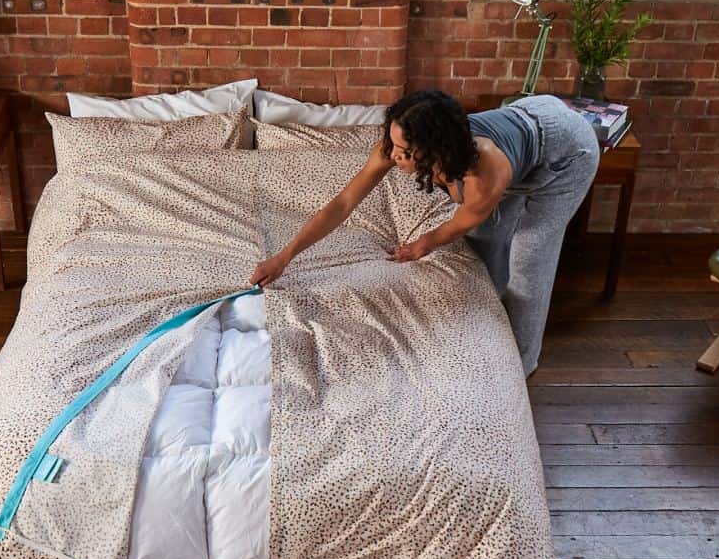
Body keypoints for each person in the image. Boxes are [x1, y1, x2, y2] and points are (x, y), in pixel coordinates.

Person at [250, 90, 599, 374]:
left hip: (565, 151)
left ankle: (521, 365)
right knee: (486, 244)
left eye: (404, 151)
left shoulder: (486, 170)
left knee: (529, 262)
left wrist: (423, 244)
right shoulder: (397, 147)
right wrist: (284, 256)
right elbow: (343, 203)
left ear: (436, 147)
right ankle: (487, 322)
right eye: (393, 144)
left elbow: (463, 221)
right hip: (531, 115)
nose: (394, 156)